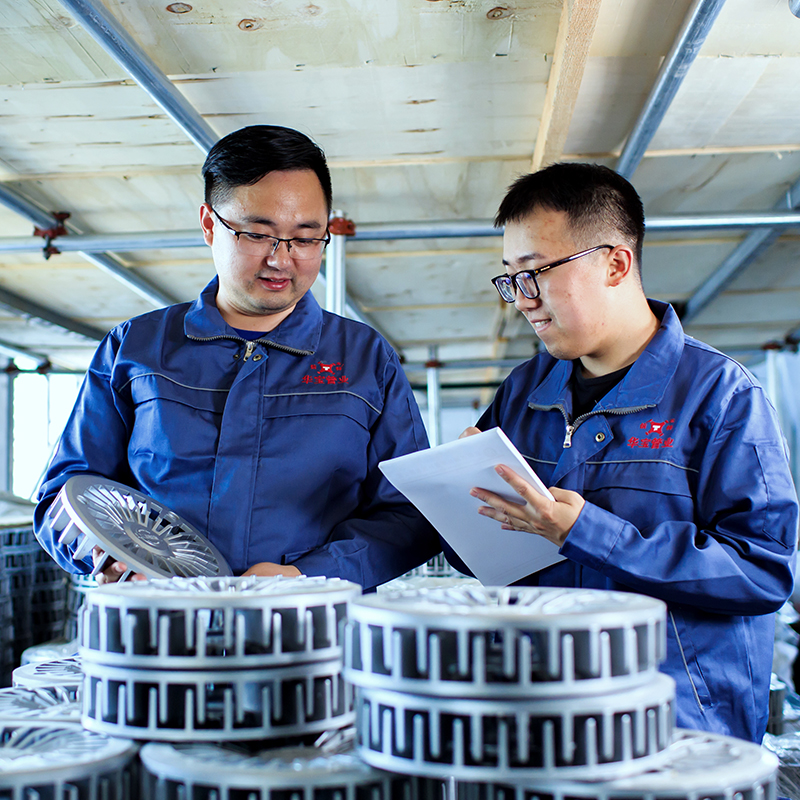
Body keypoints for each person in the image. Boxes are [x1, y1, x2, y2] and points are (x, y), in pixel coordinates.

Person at [452, 162, 798, 743]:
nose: (523, 300)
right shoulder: (523, 393)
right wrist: (459, 500)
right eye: (511, 279)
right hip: (540, 716)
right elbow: (488, 557)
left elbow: (762, 572)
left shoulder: (721, 396)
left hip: (674, 727)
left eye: (537, 274)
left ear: (616, 263)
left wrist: (587, 530)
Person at [34, 125, 439, 590]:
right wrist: (103, 555)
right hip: (158, 635)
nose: (281, 259)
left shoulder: (366, 360)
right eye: (257, 234)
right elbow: (62, 497)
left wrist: (307, 576)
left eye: (306, 239)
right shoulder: (136, 349)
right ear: (210, 225)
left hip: (307, 634)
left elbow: (409, 514)